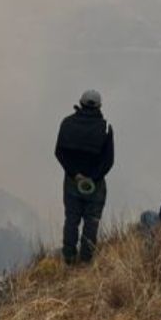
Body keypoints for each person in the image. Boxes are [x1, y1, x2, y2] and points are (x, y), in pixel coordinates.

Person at [54, 89, 115, 265]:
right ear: (99, 106)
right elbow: (108, 160)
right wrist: (93, 177)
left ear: (80, 103)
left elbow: (59, 152)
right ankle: (86, 260)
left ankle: (69, 257)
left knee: (71, 220)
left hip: (72, 183)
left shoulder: (67, 123)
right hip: (95, 185)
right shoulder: (105, 128)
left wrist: (75, 174)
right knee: (92, 221)